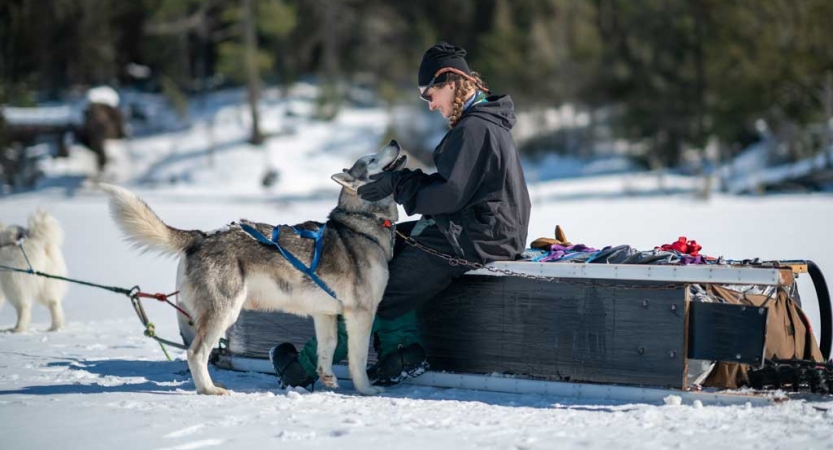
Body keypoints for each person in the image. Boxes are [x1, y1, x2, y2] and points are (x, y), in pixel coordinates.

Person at [272, 41, 531, 388]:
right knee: (394, 246)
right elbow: (458, 186)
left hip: (476, 237)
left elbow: (450, 194)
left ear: (451, 82)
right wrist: (403, 180)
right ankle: (400, 353)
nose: (430, 104)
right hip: (484, 229)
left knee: (374, 288)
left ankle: (305, 366)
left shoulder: (474, 128)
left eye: (430, 94)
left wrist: (398, 185)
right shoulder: (482, 121)